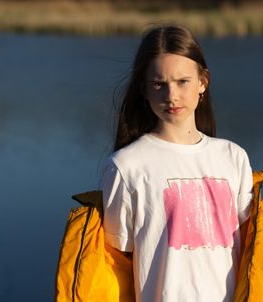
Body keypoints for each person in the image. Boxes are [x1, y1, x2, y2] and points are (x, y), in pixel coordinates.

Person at [100, 24, 254, 302]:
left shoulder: (233, 158)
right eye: (159, 84)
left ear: (202, 83)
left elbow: (253, 254)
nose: (171, 95)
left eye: (182, 81)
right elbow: (115, 265)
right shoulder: (126, 167)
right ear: (144, 90)